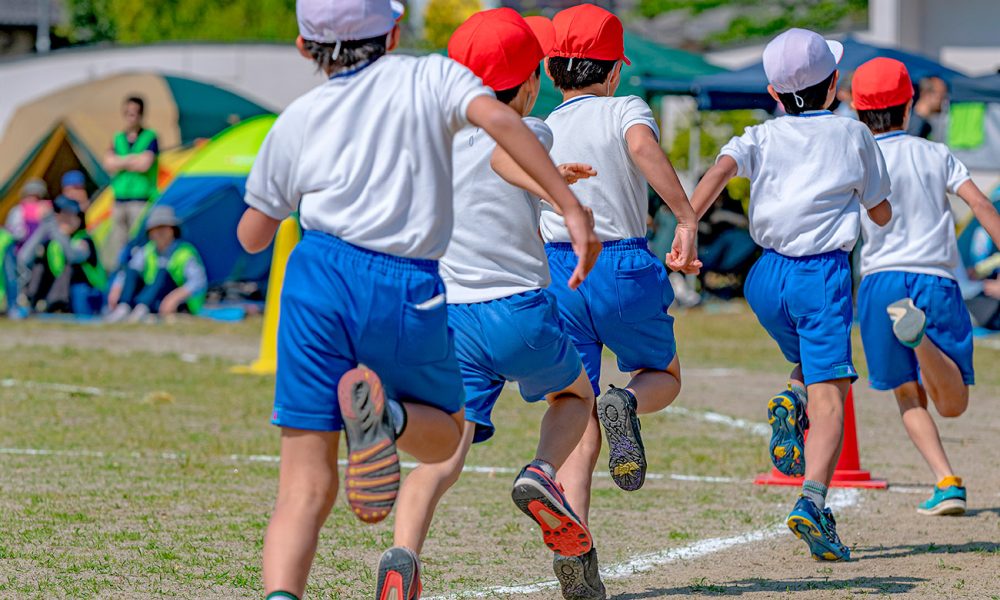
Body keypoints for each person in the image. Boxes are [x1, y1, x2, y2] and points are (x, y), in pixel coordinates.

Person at [234, 1, 599, 598]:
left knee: (304, 487)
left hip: (318, 277)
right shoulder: (428, 79)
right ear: (396, 32)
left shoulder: (298, 118)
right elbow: (501, 129)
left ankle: (355, 569)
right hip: (420, 283)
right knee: (464, 425)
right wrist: (569, 203)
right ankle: (402, 422)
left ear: (304, 48)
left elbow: (253, 234)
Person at [388, 10, 602, 600]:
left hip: (454, 320)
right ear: (531, 85)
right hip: (520, 312)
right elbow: (504, 153)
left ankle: (402, 555)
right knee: (576, 395)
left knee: (444, 450)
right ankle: (540, 473)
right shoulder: (535, 130)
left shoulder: (437, 139)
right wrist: (556, 185)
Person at [690, 28, 892, 561]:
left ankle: (791, 395)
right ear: (835, 87)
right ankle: (814, 500)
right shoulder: (853, 136)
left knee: (808, 362)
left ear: (775, 94)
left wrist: (687, 227)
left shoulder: (760, 135)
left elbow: (719, 172)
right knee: (835, 390)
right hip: (819, 277)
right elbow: (881, 210)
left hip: (764, 280)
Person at [852, 58, 1000, 516]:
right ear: (909, 105)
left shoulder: (857, 158)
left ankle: (946, 479)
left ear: (857, 112)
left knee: (906, 394)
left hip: (879, 283)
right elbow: (978, 203)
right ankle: (920, 343)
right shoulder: (935, 153)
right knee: (953, 404)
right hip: (935, 279)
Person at [106, 205, 206, 322]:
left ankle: (142, 310)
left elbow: (199, 282)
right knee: (131, 269)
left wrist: (174, 298)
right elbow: (130, 271)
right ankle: (124, 307)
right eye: (155, 228)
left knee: (163, 272)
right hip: (151, 296)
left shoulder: (185, 252)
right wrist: (116, 289)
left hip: (177, 302)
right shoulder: (148, 250)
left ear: (172, 230)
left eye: (163, 227)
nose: (159, 233)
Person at [18, 196, 105, 315]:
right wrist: (44, 227)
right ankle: (32, 301)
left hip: (88, 296)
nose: (64, 220)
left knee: (68, 268)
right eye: (60, 215)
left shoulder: (84, 240)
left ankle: (56, 305)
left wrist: (55, 229)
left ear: (79, 218)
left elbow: (72, 256)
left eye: (69, 216)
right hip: (55, 296)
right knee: (39, 264)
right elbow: (24, 258)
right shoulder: (52, 240)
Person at [102, 95, 159, 270]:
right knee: (118, 244)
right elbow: (108, 163)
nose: (130, 116)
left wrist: (120, 161)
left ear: (141, 114)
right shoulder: (117, 137)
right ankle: (120, 277)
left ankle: (138, 278)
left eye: (134, 113)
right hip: (119, 199)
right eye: (127, 113)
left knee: (139, 244)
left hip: (140, 200)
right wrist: (132, 160)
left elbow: (144, 164)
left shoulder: (150, 137)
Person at [5, 178, 52, 252]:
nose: (32, 200)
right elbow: (13, 231)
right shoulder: (17, 211)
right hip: (19, 249)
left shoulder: (45, 209)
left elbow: (50, 231)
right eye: (30, 196)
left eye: (36, 197)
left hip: (42, 248)